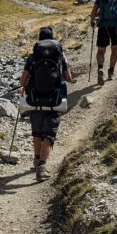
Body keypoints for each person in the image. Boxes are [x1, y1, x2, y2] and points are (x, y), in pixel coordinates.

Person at [17, 26, 73, 182]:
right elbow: (68, 77)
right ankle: (42, 166)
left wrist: (23, 85)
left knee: (37, 131)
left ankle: (36, 159)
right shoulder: (59, 55)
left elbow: (23, 80)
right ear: (53, 38)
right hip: (54, 99)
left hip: (35, 99)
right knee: (49, 134)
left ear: (39, 39)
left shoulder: (32, 56)